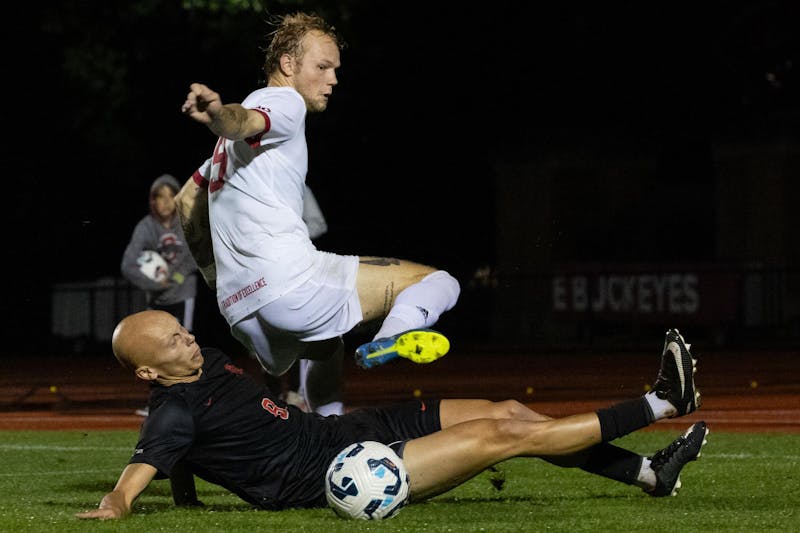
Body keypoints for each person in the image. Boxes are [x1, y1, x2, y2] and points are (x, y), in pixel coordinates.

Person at [75, 310, 706, 520]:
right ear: (148, 373)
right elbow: (141, 472)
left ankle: (652, 476)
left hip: (343, 430)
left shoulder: (201, 360)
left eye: (182, 331)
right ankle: (661, 402)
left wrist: (190, 501)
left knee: (509, 408)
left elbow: (185, 454)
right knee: (503, 436)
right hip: (342, 470)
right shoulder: (170, 410)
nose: (188, 339)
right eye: (172, 343)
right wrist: (114, 507)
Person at [174, 12, 460, 418]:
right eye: (322, 67)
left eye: (336, 69)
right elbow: (245, 120)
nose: (333, 79)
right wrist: (219, 114)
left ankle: (328, 436)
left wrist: (220, 281)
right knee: (439, 282)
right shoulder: (283, 100)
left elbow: (186, 206)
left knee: (327, 346)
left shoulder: (222, 153)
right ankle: (394, 335)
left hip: (241, 312)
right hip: (289, 285)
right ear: (288, 65)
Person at [121, 173, 200, 418]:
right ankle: (158, 402)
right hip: (155, 298)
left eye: (170, 196)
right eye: (159, 197)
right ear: (152, 201)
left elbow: (194, 256)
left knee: (182, 348)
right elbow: (129, 264)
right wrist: (154, 285)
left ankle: (187, 401)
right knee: (154, 350)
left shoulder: (186, 222)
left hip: (182, 294)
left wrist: (172, 280)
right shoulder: (146, 227)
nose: (165, 202)